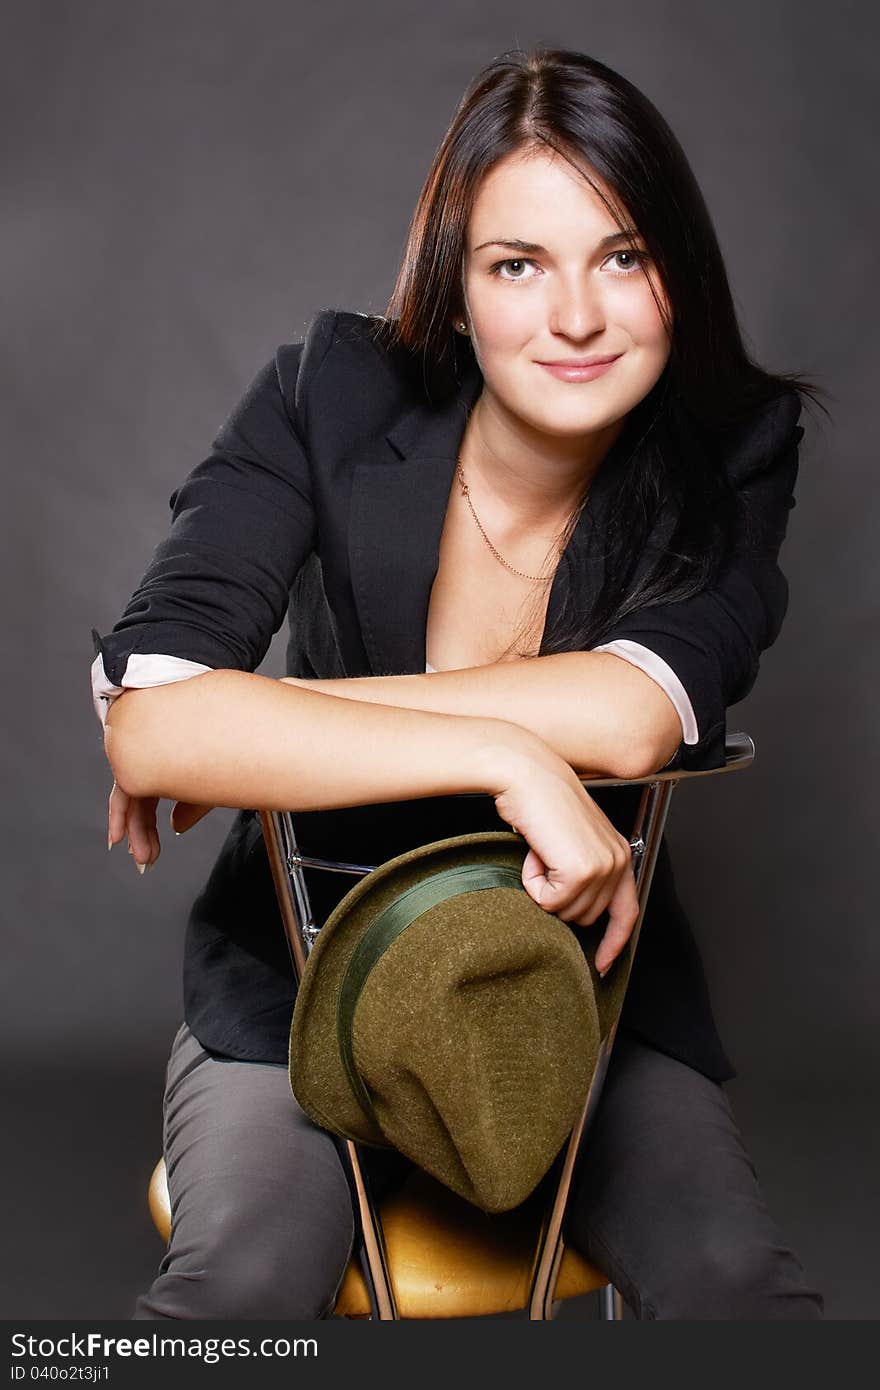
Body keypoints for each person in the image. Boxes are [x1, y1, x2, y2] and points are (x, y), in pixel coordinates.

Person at [91, 47, 826, 1319]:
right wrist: (503, 753)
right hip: (302, 974)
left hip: (580, 994)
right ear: (457, 284)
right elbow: (156, 712)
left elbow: (626, 710)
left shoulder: (736, 446)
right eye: (517, 265)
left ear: (679, 277)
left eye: (624, 256)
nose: (577, 317)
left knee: (735, 1291)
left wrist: (241, 730)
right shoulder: (327, 392)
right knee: (240, 1292)